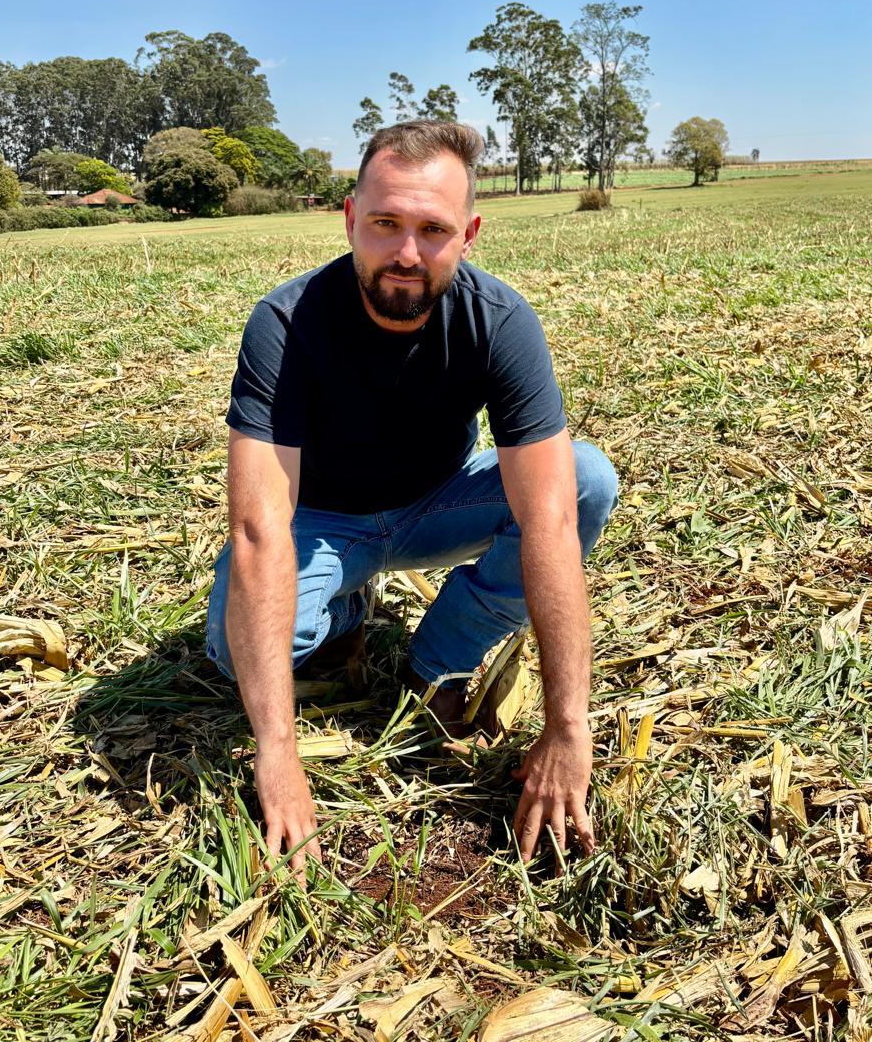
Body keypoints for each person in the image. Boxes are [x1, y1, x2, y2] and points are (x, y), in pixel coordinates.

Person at [206, 121, 618, 877]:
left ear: (470, 233)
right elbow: (260, 526)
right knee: (235, 649)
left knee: (585, 479)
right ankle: (342, 618)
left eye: (433, 230)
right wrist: (277, 751)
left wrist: (567, 727)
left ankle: (435, 663)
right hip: (320, 521)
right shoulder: (286, 323)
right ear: (348, 217)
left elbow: (550, 519)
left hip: (437, 503)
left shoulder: (498, 322)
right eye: (385, 223)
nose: (405, 254)